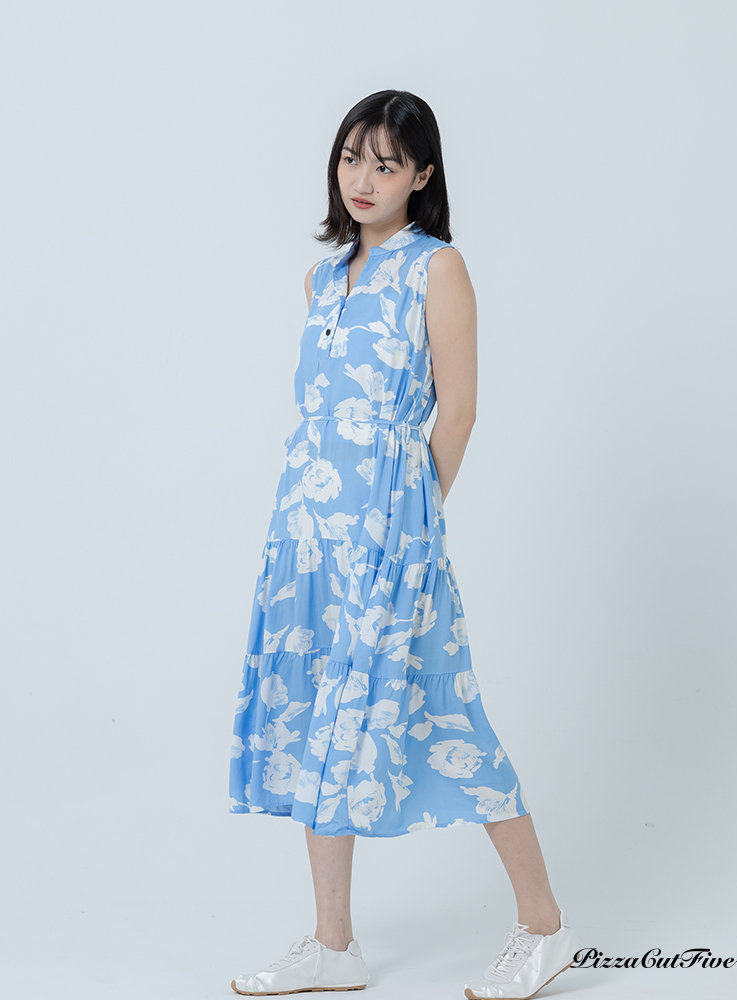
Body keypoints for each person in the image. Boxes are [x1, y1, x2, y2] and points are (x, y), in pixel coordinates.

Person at [228, 90, 581, 999]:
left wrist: (411, 527)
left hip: (393, 531)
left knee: (450, 714)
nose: (364, 178)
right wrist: (306, 528)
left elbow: (457, 413)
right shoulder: (321, 279)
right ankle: (333, 946)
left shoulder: (438, 268)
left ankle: (546, 928)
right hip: (307, 533)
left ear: (422, 176)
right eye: (353, 157)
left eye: (387, 164)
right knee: (319, 714)